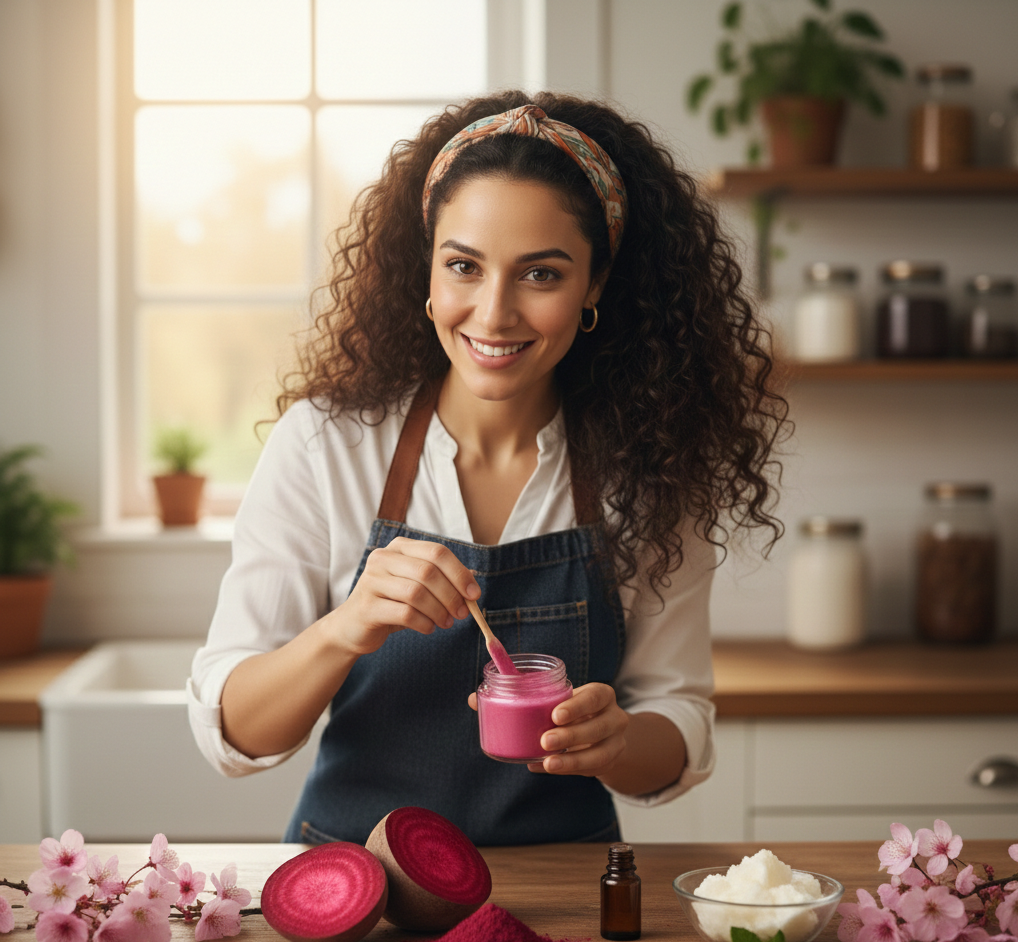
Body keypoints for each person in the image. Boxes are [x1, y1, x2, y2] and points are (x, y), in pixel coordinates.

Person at [187, 91, 786, 847]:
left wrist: (620, 742)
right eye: (464, 266)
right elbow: (233, 734)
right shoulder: (326, 445)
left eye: (541, 275)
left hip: (565, 891)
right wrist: (345, 629)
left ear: (595, 285)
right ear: (427, 273)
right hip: (357, 891)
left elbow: (679, 723)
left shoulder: (649, 469)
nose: (494, 313)